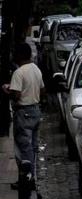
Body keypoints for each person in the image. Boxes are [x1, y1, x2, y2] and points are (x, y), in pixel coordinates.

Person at [2, 43, 45, 190]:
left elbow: (17, 95)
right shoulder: (36, 69)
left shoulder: (19, 73)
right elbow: (42, 90)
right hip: (35, 110)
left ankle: (27, 178)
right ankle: (31, 175)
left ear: (19, 55)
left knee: (23, 147)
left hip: (23, 112)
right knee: (32, 146)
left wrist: (8, 91)